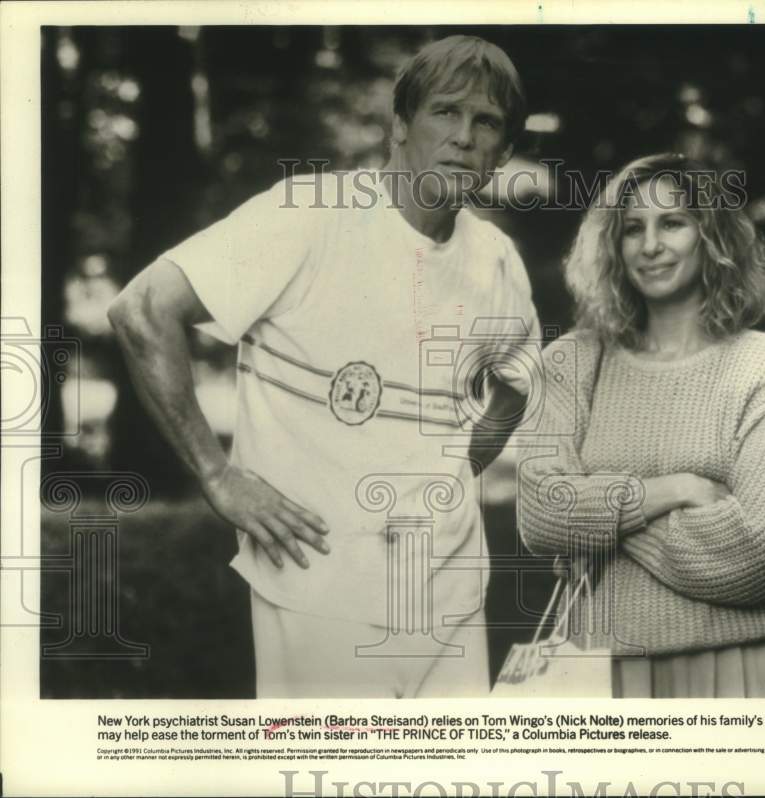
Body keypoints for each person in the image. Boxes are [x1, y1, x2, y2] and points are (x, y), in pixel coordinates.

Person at [108, 35, 540, 698]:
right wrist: (217, 474)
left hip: (451, 597)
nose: (463, 137)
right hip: (320, 590)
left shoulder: (495, 261)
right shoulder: (309, 215)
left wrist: (452, 468)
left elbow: (513, 391)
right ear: (400, 124)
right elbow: (142, 310)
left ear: (502, 150)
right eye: (444, 113)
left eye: (485, 122)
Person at [517, 152, 765, 697]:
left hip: (731, 669)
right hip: (596, 669)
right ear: (613, 245)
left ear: (712, 237)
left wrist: (600, 522)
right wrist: (676, 490)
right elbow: (539, 518)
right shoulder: (572, 361)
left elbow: (759, 555)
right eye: (633, 229)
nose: (650, 245)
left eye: (672, 222)